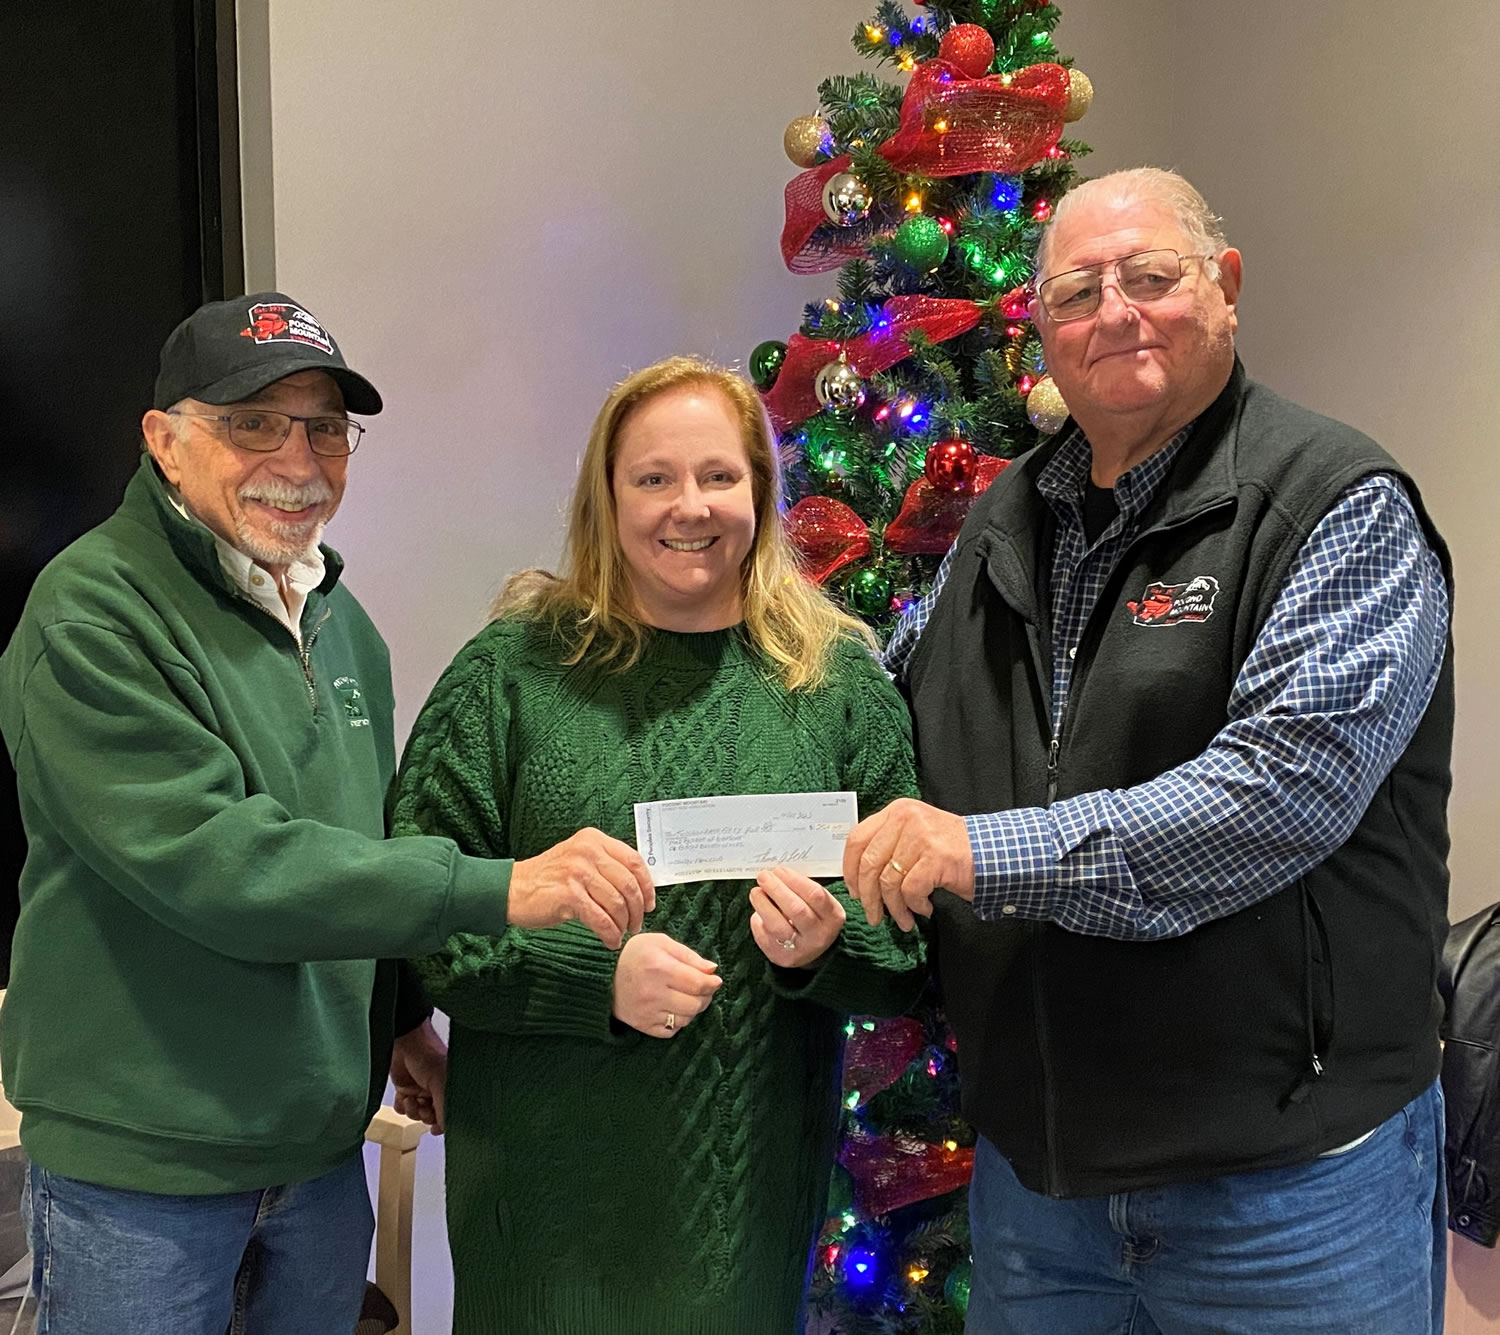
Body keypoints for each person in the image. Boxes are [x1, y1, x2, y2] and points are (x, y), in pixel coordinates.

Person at [843, 169, 1454, 1334]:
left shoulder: (1337, 505)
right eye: (1075, 292)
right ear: (1041, 332)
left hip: (1290, 1187)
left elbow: (1276, 799)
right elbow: (892, 712)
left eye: (1151, 277)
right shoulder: (998, 524)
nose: (1115, 311)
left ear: (1224, 290)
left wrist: (976, 852)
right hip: (1042, 1190)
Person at [0, 292, 649, 1335]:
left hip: (315, 1158)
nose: (296, 459)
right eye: (252, 423)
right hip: (143, 1178)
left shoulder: (345, 627)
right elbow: (223, 866)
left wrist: (400, 1023)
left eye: (324, 428)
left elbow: (357, 846)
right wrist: (500, 888)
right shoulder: (91, 613)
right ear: (164, 441)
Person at [389, 356, 925, 1334]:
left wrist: (828, 943)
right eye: (654, 478)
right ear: (608, 497)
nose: (691, 507)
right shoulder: (509, 673)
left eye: (720, 476)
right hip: (541, 1207)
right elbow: (423, 915)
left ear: (760, 492)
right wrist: (595, 980)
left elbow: (911, 941)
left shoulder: (838, 682)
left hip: (737, 1208)